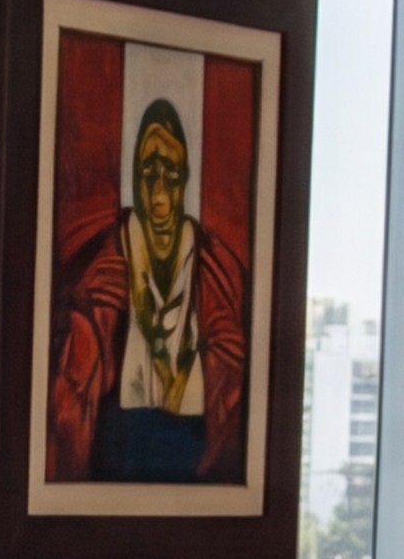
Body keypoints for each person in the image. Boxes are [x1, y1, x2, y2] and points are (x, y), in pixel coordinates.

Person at [47, 92, 251, 486]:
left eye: (170, 173)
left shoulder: (211, 265)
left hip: (193, 447)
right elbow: (75, 381)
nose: (158, 191)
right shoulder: (106, 263)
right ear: (136, 177)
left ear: (185, 178)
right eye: (148, 172)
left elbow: (233, 371)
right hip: (119, 441)